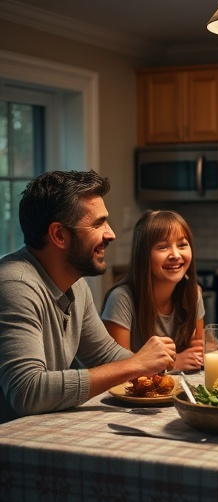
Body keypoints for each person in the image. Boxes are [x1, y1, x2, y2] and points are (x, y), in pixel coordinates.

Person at [0, 170, 177, 424]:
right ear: (59, 235)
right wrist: (136, 364)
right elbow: (27, 391)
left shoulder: (75, 285)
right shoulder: (14, 284)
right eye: (98, 224)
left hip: (43, 431)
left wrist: (151, 366)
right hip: (12, 448)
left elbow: (105, 355)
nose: (111, 234)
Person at [101, 210, 204, 371]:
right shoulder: (121, 299)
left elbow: (196, 352)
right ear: (144, 256)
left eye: (182, 245)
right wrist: (172, 365)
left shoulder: (193, 294)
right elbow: (117, 370)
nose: (176, 255)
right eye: (163, 247)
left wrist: (201, 351)